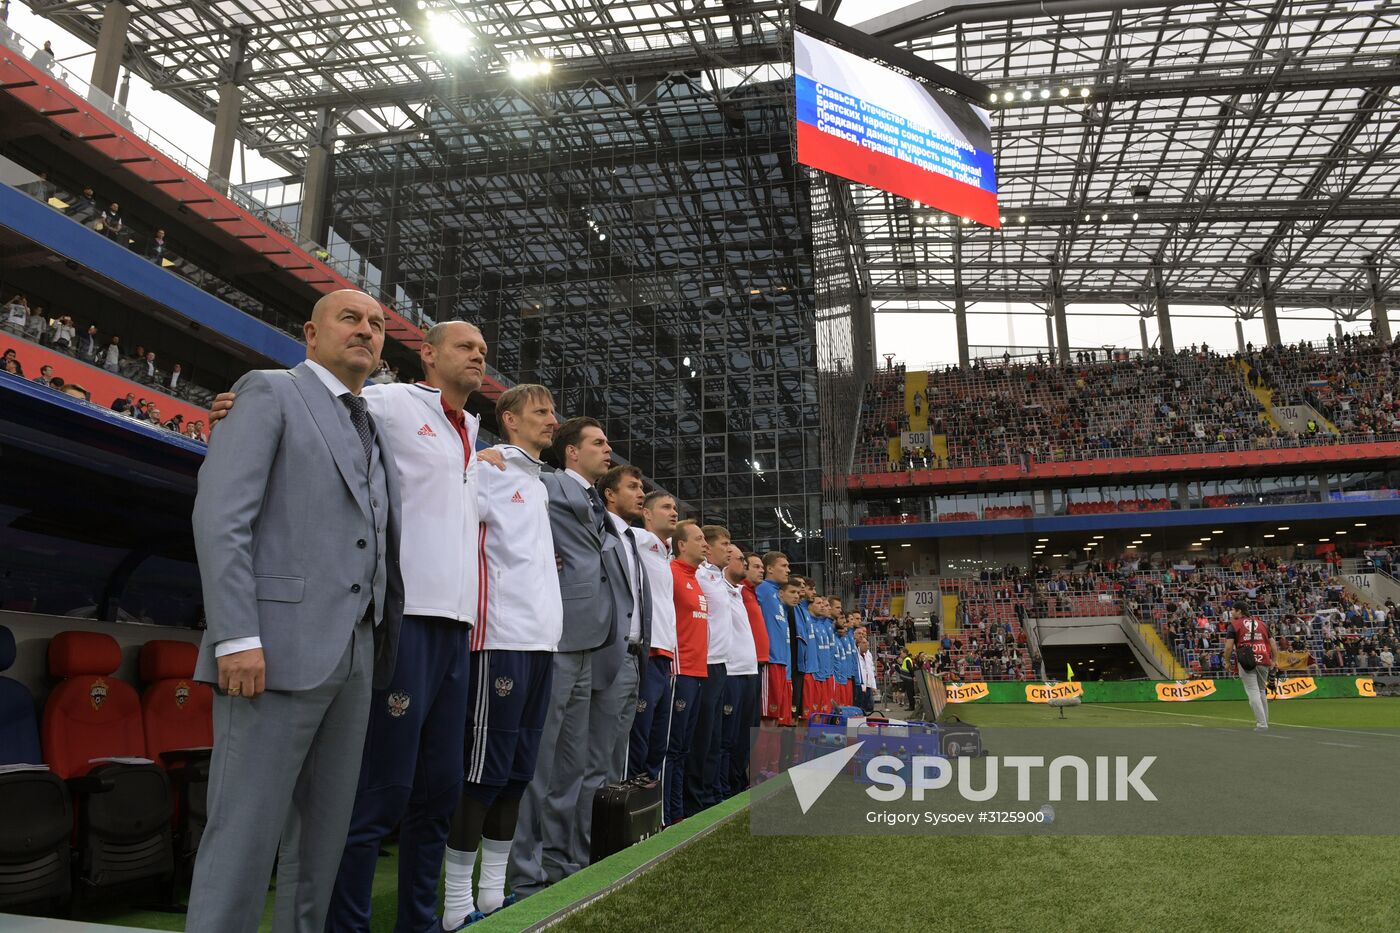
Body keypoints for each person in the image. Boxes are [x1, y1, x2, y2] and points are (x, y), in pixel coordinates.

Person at [185, 289, 405, 933]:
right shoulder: (268, 391)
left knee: (322, 843)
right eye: (350, 318)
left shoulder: (372, 424)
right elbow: (221, 520)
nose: (365, 330)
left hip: (356, 652)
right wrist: (234, 637)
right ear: (310, 333)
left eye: (376, 324)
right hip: (270, 648)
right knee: (244, 834)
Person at [441, 383, 562, 929]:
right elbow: (452, 518)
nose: (552, 420)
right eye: (541, 411)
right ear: (510, 419)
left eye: (553, 411)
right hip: (500, 641)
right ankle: (453, 907)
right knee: (482, 775)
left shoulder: (536, 483)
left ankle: (491, 897)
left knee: (516, 775)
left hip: (541, 643)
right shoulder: (489, 470)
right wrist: (471, 461)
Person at [510, 416, 631, 896]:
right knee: (541, 765)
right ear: (572, 452)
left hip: (592, 641)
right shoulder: (549, 483)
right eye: (598, 443)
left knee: (571, 765)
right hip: (557, 635)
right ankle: (524, 872)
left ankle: (560, 861)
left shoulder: (594, 502)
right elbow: (515, 499)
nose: (608, 449)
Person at [627, 491, 679, 781]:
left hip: (665, 656)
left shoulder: (664, 554)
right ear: (646, 513)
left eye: (675, 508)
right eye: (666, 507)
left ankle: (648, 801)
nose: (674, 512)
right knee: (638, 738)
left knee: (658, 742)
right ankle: (626, 799)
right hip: (644, 653)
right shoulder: (635, 538)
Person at [662, 520, 710, 824]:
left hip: (698, 672)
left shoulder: (695, 578)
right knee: (671, 747)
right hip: (679, 671)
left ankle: (677, 811)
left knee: (683, 748)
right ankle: (664, 814)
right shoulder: (671, 573)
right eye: (699, 539)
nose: (705, 544)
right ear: (681, 545)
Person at [684, 524, 732, 816]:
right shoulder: (700, 576)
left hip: (721, 663)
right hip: (705, 663)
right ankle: (695, 797)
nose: (728, 549)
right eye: (724, 544)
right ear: (709, 549)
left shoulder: (718, 578)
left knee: (715, 736)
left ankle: (711, 792)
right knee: (702, 736)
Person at [719, 545, 759, 797]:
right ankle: (724, 788)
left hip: (749, 670)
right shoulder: (718, 587)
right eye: (740, 558)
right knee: (728, 737)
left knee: (745, 736)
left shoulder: (739, 591)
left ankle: (737, 783)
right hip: (731, 671)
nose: (744, 563)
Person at [1222, 606, 1279, 732]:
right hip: (1263, 658)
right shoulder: (1262, 624)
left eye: (1233, 610)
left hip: (1246, 659)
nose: (1231, 612)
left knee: (1253, 691)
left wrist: (1227, 661)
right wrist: (1274, 660)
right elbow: (1273, 644)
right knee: (1261, 691)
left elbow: (1228, 647)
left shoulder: (1234, 625)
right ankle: (1265, 721)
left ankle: (1262, 724)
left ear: (1239, 611)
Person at [755, 552, 793, 726]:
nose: (788, 570)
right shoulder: (762, 588)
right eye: (783, 566)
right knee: (767, 718)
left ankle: (774, 747)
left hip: (781, 663)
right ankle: (761, 747)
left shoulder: (778, 595)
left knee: (776, 718)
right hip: (769, 661)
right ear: (769, 569)